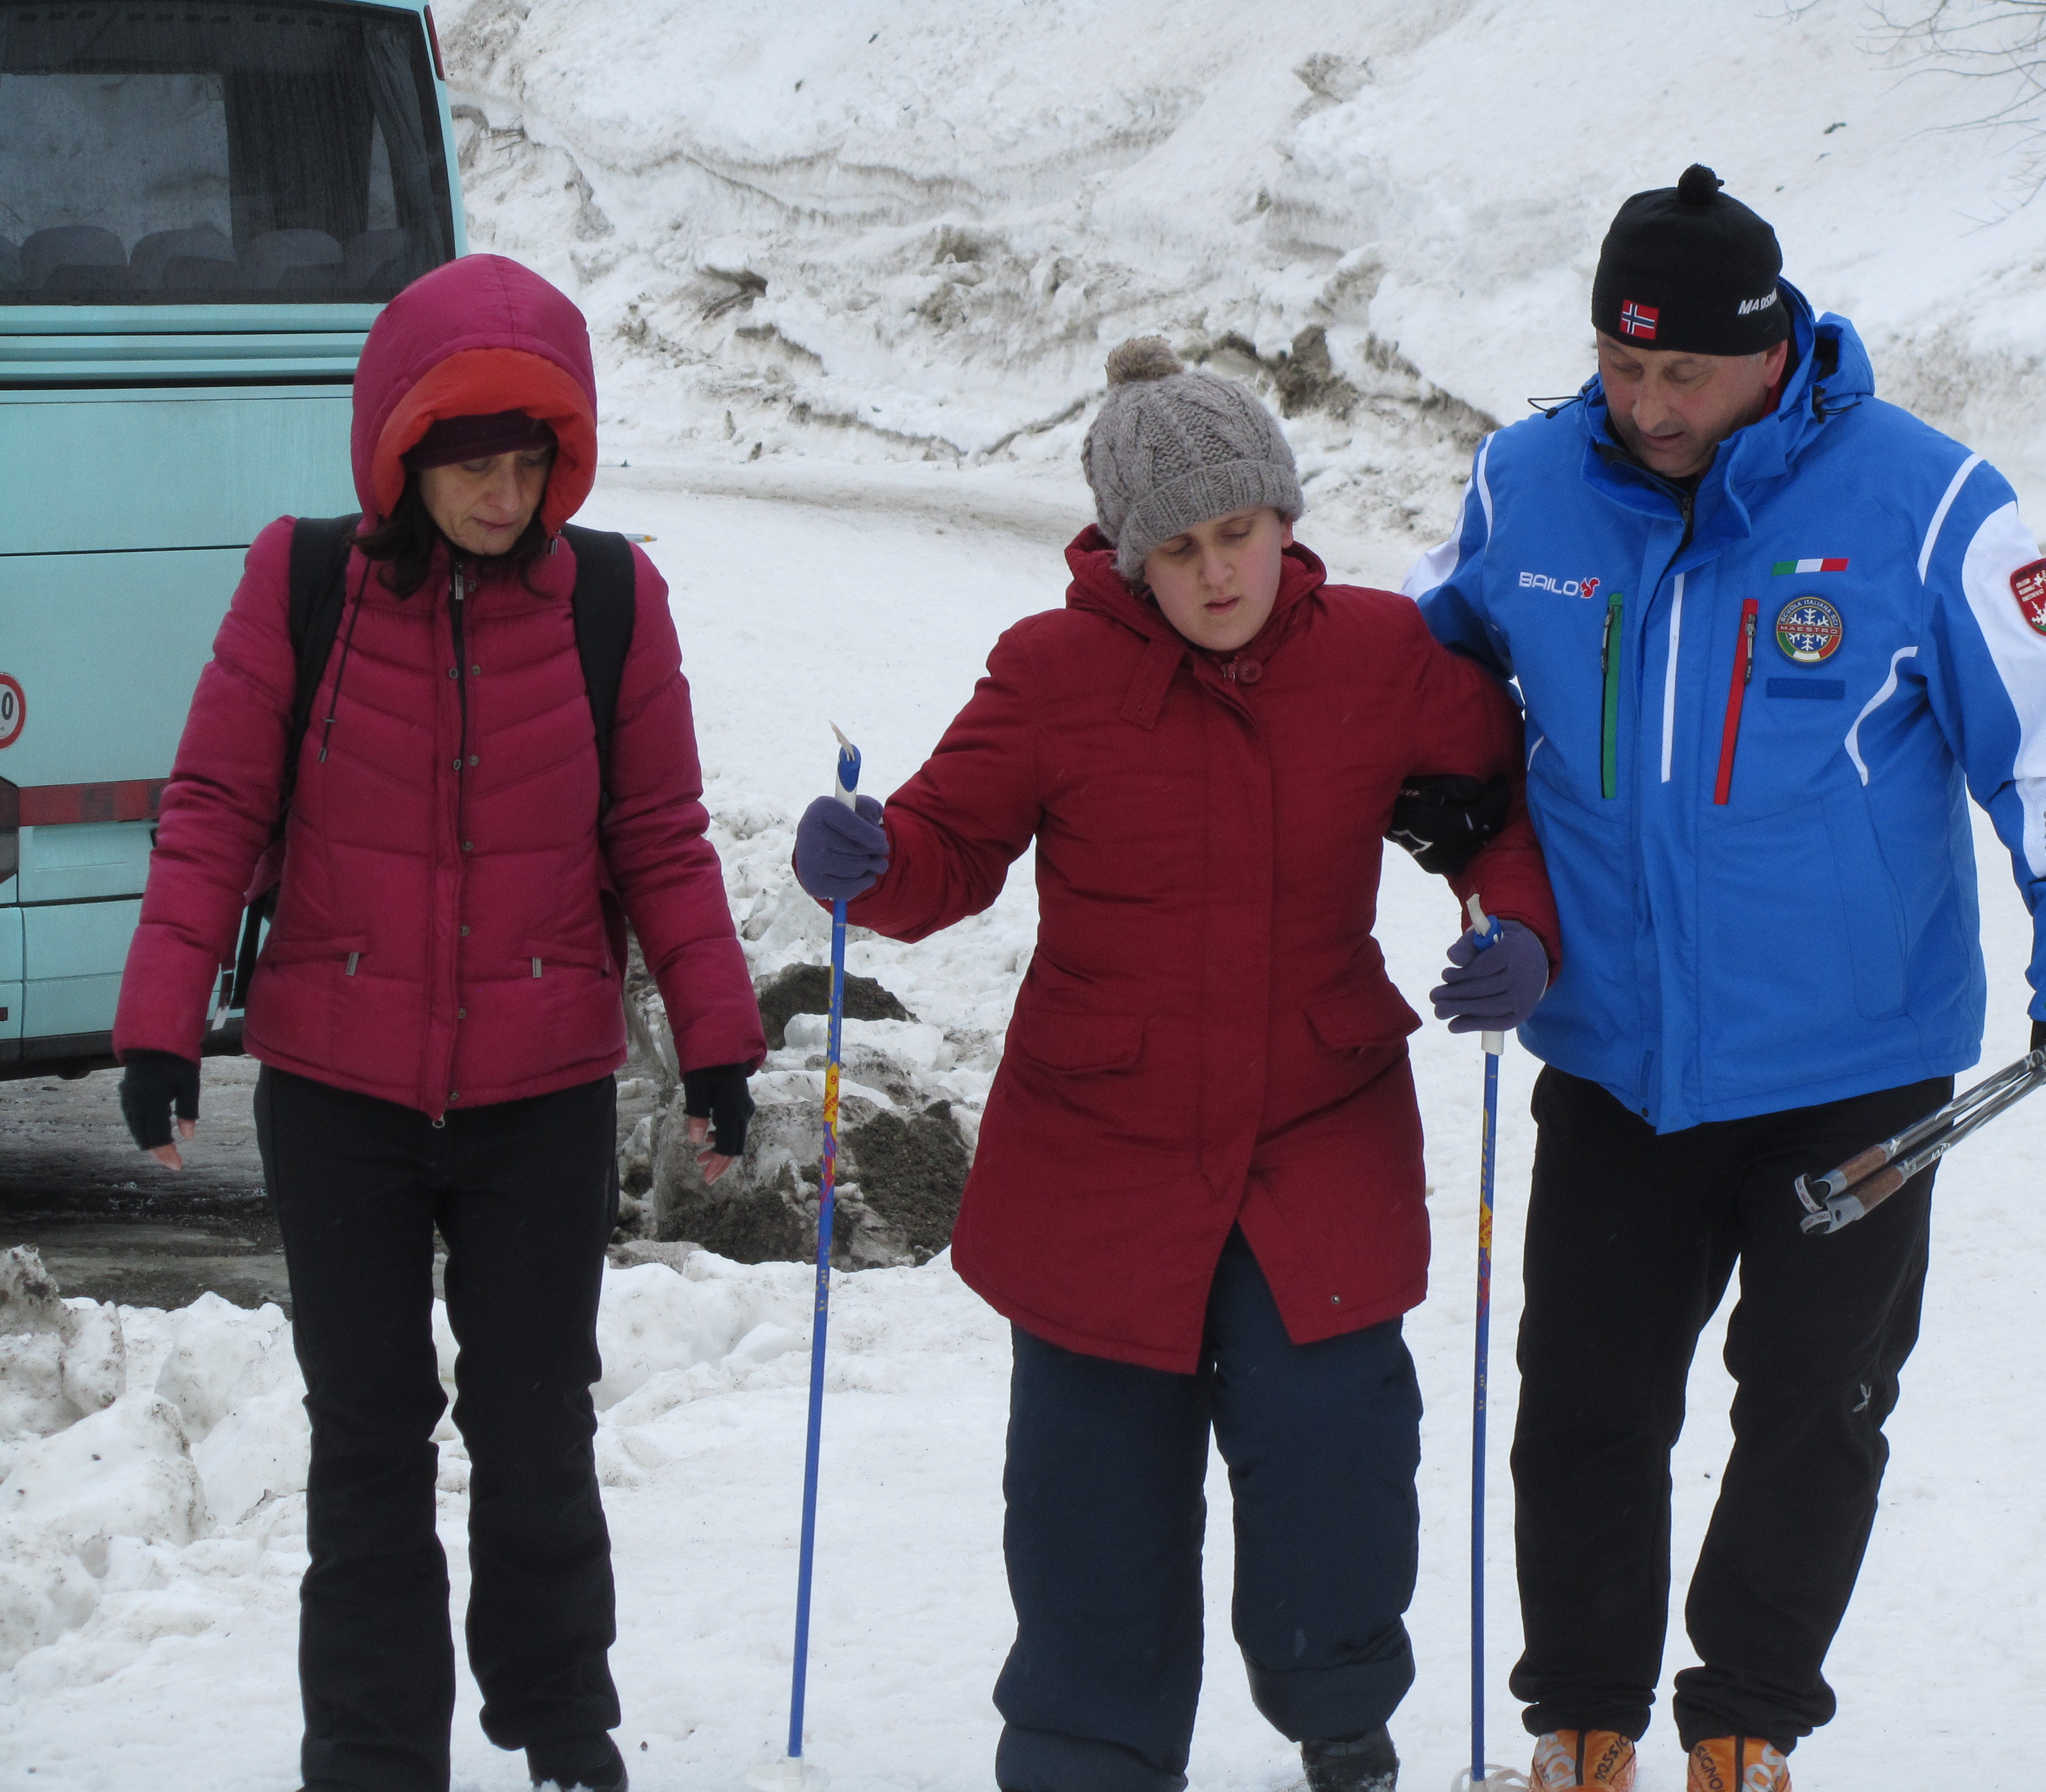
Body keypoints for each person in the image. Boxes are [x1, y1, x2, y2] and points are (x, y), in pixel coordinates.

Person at [1407, 166, 2046, 1792]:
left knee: (1818, 1402)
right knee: (1586, 1399)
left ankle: (1745, 1720)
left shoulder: (1928, 504)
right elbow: (1430, 667)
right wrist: (1441, 782)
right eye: (1622, 365)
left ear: (1773, 353)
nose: (1648, 407)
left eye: (1684, 373)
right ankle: (1583, 1722)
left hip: (1852, 1064)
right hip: (1616, 1054)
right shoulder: (1527, 484)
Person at [790, 337, 1561, 1792]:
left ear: (1284, 518)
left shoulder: (1382, 656)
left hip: (1317, 1123)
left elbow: (1502, 797)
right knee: (1091, 1487)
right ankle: (1086, 1756)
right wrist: (872, 859)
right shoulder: (1051, 672)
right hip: (1099, 1144)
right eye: (1181, 548)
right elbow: (947, 847)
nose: (1218, 574)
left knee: (1334, 1437)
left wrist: (1516, 928)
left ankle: (1343, 1719)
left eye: (1239, 533)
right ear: (1129, 557)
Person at [112, 253, 767, 1792]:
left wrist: (721, 1044)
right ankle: (369, 1754)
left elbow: (661, 835)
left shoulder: (612, 600)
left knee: (536, 1429)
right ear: (402, 451)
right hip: (338, 1092)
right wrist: (158, 1029)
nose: (502, 491)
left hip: (539, 1096)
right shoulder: (302, 583)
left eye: (529, 458)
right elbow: (214, 809)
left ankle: (564, 1730)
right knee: (368, 1437)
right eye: (472, 459)